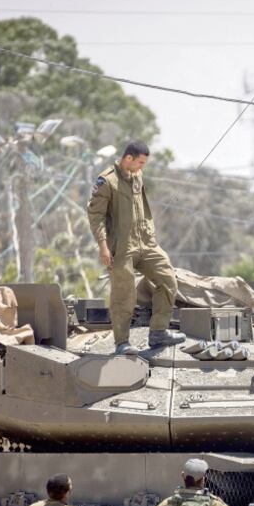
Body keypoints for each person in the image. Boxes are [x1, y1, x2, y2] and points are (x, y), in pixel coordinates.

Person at [87, 141, 186, 355]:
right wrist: (103, 246)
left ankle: (158, 332)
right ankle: (122, 342)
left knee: (168, 280)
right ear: (128, 158)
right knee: (124, 294)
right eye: (140, 162)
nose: (142, 167)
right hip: (121, 246)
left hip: (146, 243)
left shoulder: (137, 175)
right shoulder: (107, 181)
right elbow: (95, 216)